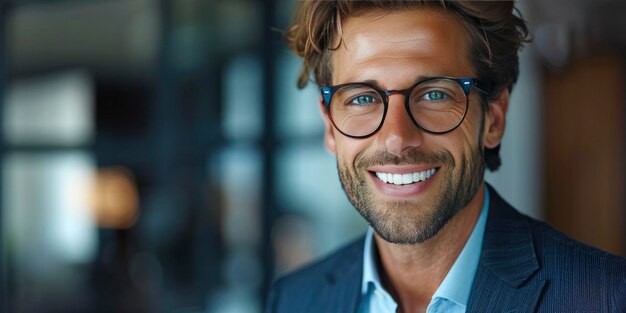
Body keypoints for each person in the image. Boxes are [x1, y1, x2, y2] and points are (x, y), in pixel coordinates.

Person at [265, 1, 626, 312]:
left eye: (434, 94)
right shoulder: (294, 299)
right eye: (362, 98)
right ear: (330, 127)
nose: (396, 138)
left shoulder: (607, 298)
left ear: (493, 120)